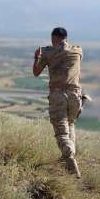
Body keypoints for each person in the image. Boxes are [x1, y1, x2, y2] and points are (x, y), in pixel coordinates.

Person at [32, 27, 84, 178]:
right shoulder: (78, 51)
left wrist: (37, 57)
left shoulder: (48, 53)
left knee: (61, 132)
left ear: (53, 38)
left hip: (58, 95)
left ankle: (68, 155)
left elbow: (36, 72)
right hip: (75, 95)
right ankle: (68, 156)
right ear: (66, 37)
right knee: (71, 124)